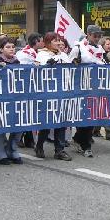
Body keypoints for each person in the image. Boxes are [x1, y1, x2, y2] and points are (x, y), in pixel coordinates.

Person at [34, 32, 72, 161]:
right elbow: (36, 71)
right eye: (56, 41)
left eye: (59, 40)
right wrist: (46, 66)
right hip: (48, 93)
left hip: (62, 92)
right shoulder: (42, 54)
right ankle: (39, 145)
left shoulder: (63, 55)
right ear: (49, 43)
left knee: (61, 121)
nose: (59, 43)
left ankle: (59, 150)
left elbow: (69, 71)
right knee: (47, 121)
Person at [70, 25, 106, 157]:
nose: (97, 38)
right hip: (81, 87)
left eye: (99, 36)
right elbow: (70, 65)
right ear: (88, 35)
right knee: (84, 116)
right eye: (94, 36)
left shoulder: (100, 50)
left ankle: (80, 139)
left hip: (95, 87)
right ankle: (85, 145)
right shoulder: (79, 47)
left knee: (92, 116)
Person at [0, 36, 23, 165]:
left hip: (16, 98)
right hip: (2, 99)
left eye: (13, 47)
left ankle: (12, 149)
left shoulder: (18, 62)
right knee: (2, 124)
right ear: (1, 49)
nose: (11, 49)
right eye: (8, 47)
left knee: (20, 124)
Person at [16, 32, 44, 149]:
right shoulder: (26, 54)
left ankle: (29, 139)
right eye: (41, 40)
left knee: (31, 113)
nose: (43, 43)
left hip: (34, 87)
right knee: (25, 112)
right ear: (36, 42)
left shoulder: (38, 53)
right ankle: (20, 137)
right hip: (26, 87)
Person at [93, 37, 110, 141]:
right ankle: (101, 131)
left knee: (105, 108)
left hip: (108, 87)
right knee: (101, 108)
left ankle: (105, 131)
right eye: (107, 44)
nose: (109, 46)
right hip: (98, 87)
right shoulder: (97, 56)